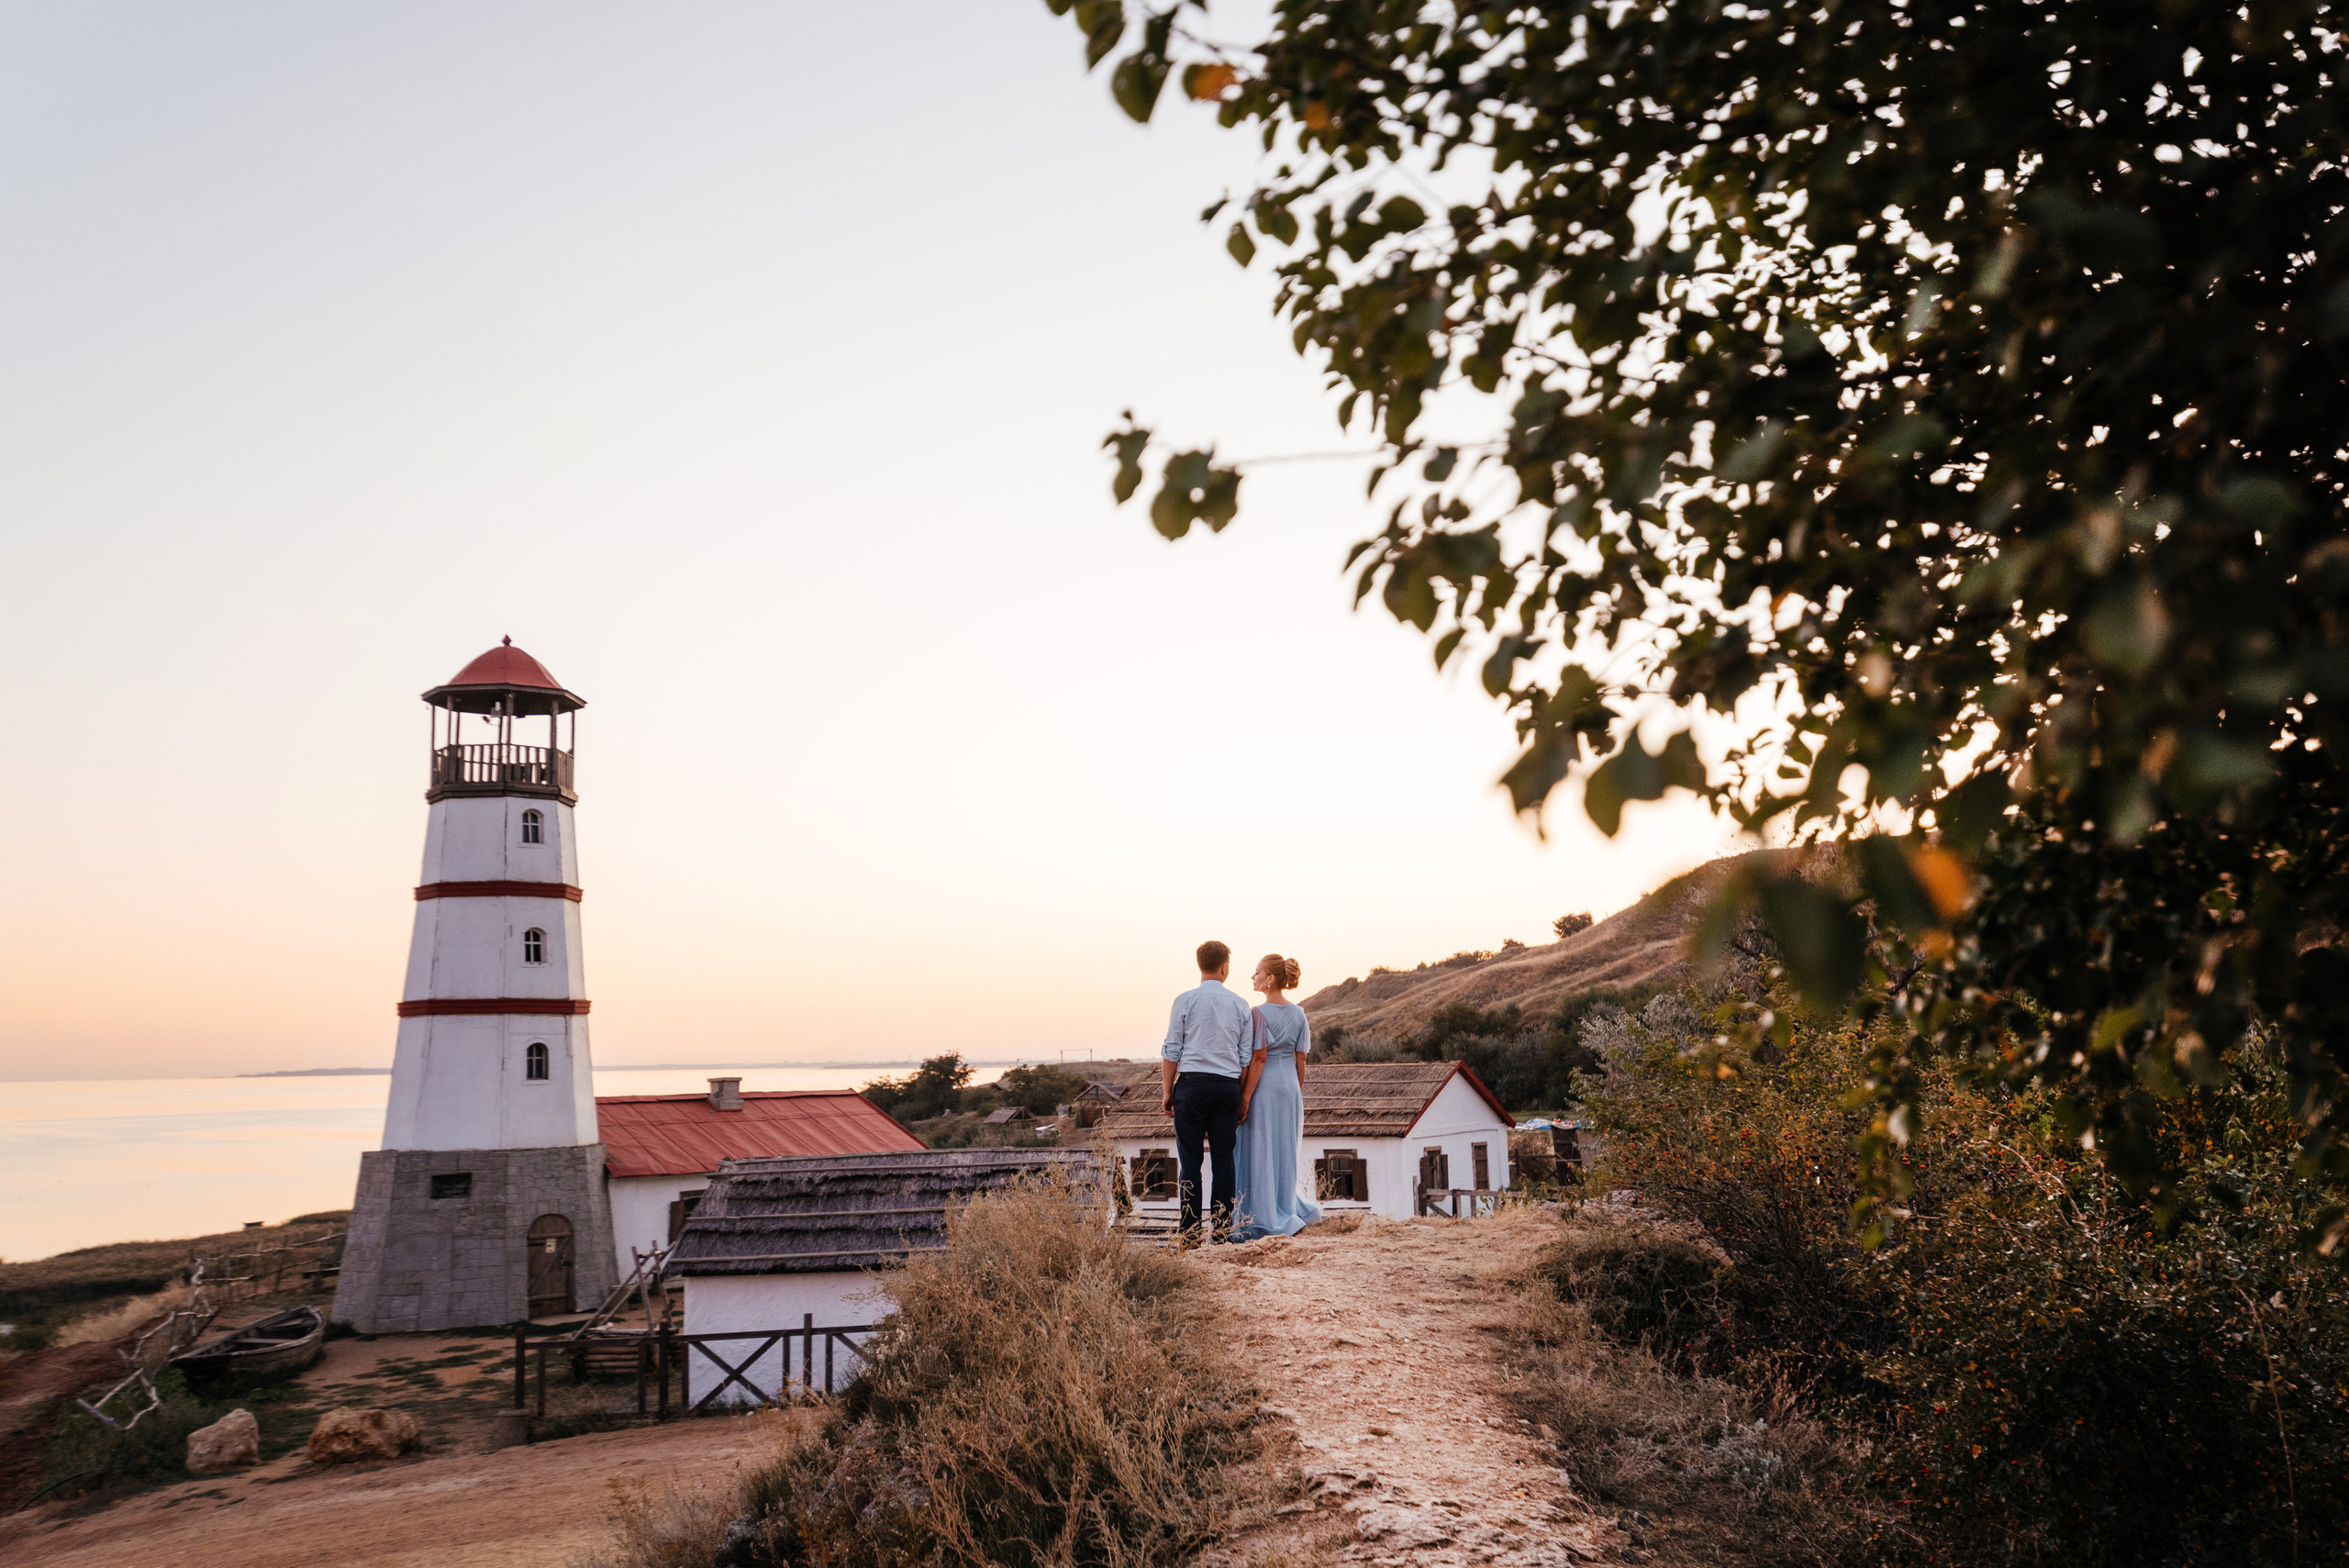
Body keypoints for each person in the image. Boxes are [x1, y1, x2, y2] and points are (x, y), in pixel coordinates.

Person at [1161, 940, 1252, 1243]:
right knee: (1224, 1160)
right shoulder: (1240, 1005)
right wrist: (1240, 1096)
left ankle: (1189, 1234)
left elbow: (1171, 1049)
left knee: (1190, 1163)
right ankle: (1221, 1232)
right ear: (1225, 967)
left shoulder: (1184, 1001)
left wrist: (1167, 1091)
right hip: (1227, 1088)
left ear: (1200, 965)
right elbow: (1244, 1058)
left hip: (1192, 1086)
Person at [1230, 952, 1323, 1240]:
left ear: (1270, 979)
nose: (1253, 976)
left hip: (1265, 1087)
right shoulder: (1299, 1013)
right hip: (1290, 1087)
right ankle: (1285, 1206)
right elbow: (1301, 1059)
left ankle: (1263, 1214)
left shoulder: (1258, 1013)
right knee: (1284, 1150)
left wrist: (1245, 1097)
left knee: (1260, 1149)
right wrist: (1295, 1092)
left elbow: (1258, 1059)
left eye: (1257, 972)